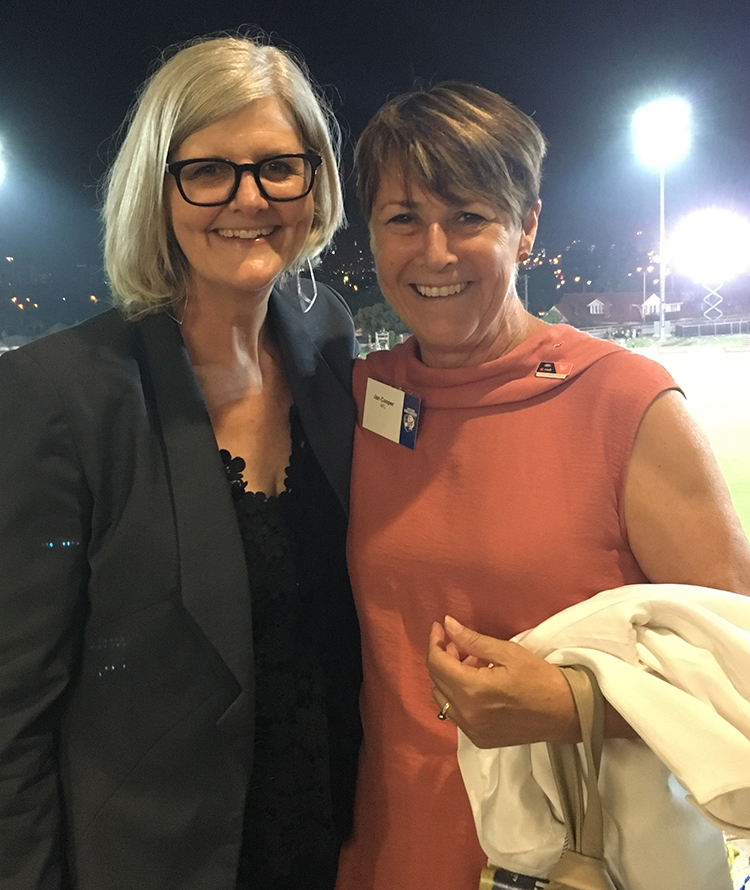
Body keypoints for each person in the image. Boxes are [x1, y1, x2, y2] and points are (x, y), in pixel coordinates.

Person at [334, 81, 750, 890]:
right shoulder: (359, 398)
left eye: (469, 217)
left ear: (526, 228)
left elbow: (739, 673)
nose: (436, 252)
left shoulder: (625, 402)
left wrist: (572, 705)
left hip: (577, 858)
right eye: (403, 219)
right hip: (389, 846)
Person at [0, 36, 362, 890]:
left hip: (333, 845)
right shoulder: (59, 394)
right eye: (207, 171)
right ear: (155, 191)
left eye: (279, 166)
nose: (250, 198)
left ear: (314, 184)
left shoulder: (331, 342)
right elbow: (11, 713)